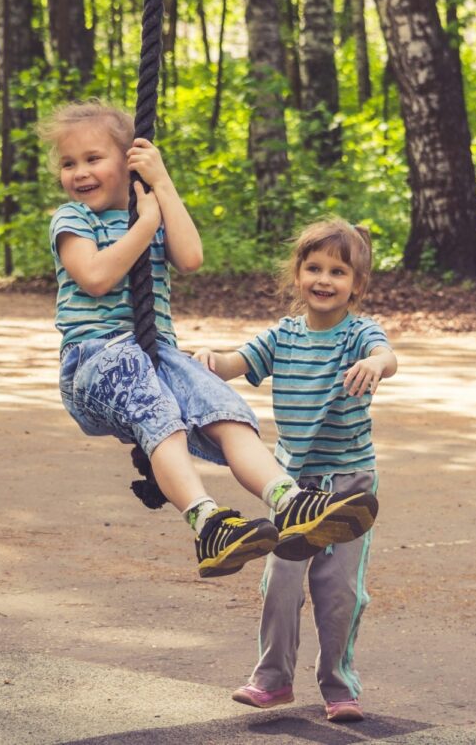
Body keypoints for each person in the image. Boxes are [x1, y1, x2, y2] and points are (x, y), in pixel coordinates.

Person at [41, 99, 379, 579]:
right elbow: (95, 277)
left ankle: (290, 502)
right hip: (95, 361)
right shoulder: (73, 220)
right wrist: (145, 226)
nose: (79, 172)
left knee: (226, 410)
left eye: (93, 159)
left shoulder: (148, 208)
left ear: (131, 161)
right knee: (162, 418)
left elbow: (192, 256)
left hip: (154, 355)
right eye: (69, 164)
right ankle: (207, 522)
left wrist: (161, 185)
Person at [192, 219, 397, 722]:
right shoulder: (282, 335)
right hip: (291, 488)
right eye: (314, 268)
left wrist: (377, 364)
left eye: (338, 271)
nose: (324, 280)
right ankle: (272, 679)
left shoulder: (359, 335)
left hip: (349, 486)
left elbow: (386, 355)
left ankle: (338, 685)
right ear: (298, 274)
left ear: (357, 285)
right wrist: (203, 360)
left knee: (339, 593)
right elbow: (233, 363)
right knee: (280, 583)